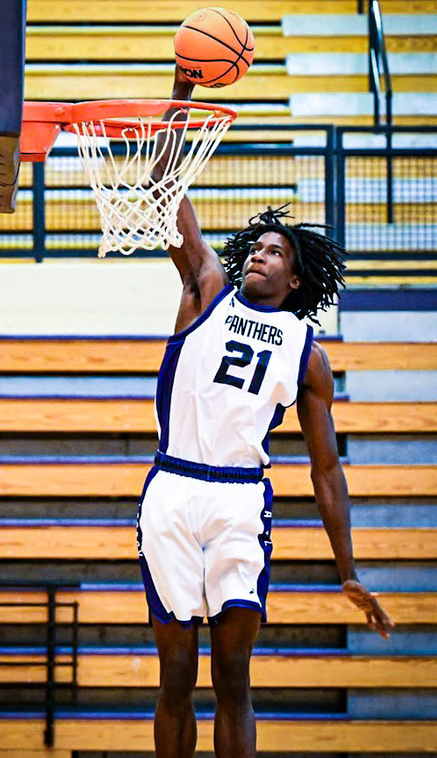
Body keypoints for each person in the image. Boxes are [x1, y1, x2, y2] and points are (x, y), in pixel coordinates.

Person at [136, 67, 395, 758]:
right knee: (174, 676)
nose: (260, 253)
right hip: (172, 488)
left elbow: (328, 469)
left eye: (274, 251)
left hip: (239, 501)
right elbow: (165, 192)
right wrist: (183, 94)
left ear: (296, 278)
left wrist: (348, 565)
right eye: (257, 246)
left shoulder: (307, 352)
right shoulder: (208, 288)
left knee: (232, 679)